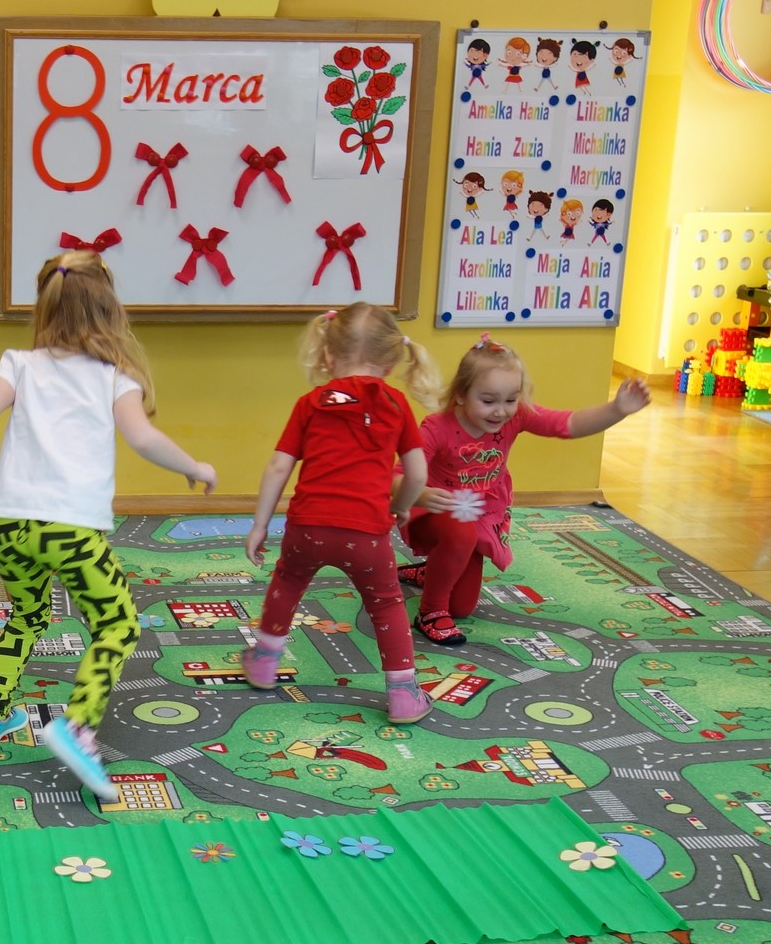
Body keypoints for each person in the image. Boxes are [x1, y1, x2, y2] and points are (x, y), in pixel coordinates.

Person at [0, 250, 216, 801]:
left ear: (44, 307)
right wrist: (194, 467)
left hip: (8, 526)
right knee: (118, 624)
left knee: (27, 614)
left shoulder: (19, 363)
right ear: (109, 311)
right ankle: (77, 724)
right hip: (70, 530)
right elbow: (141, 437)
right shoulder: (114, 376)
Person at [241, 304, 444, 726]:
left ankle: (263, 663)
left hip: (307, 527)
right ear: (390, 362)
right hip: (367, 534)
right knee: (386, 603)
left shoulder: (310, 403)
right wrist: (401, 507)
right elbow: (417, 473)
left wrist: (260, 524)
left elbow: (278, 467)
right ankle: (403, 693)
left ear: (329, 355)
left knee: (288, 583)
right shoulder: (396, 404)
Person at [397, 334, 651, 645]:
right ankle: (429, 612)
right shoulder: (437, 427)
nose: (501, 411)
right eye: (488, 401)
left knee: (462, 607)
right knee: (459, 537)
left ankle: (431, 572)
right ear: (461, 395)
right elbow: (398, 476)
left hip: (475, 514)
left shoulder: (516, 416)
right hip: (432, 510)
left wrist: (617, 409)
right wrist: (421, 494)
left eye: (511, 399)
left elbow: (568, 424)